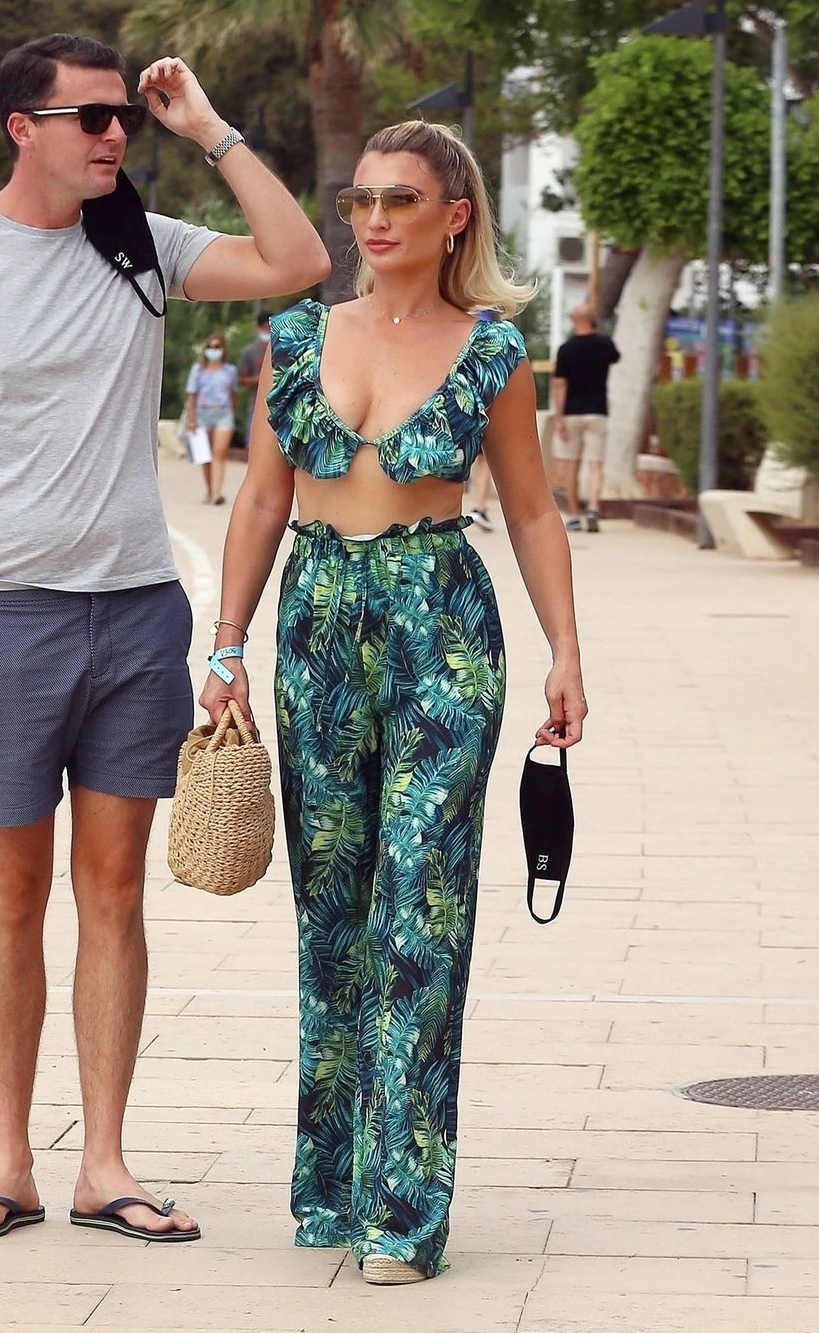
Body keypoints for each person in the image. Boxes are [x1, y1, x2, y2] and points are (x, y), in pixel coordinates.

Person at [0, 34, 328, 1248]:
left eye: (124, 115)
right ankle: (9, 1162)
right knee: (12, 890)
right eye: (92, 117)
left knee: (114, 892)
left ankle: (104, 1165)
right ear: (24, 128)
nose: (115, 133)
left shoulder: (143, 245)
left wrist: (208, 131)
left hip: (135, 615)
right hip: (1, 618)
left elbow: (299, 259)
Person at [199, 120, 586, 1285]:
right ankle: (333, 1184)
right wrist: (225, 644)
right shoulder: (297, 337)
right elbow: (262, 502)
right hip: (315, 623)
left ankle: (404, 1210)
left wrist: (566, 651)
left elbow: (530, 509)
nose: (373, 219)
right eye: (361, 198)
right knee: (333, 911)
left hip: (443, 628)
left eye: (401, 199)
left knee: (420, 908)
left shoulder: (494, 351)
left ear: (454, 216)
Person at [549, 303, 619, 533]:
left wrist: (559, 417)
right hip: (598, 411)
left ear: (573, 321)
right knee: (595, 464)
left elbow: (559, 385)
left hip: (572, 412)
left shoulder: (566, 349)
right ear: (593, 320)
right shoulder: (605, 344)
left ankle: (574, 515)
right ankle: (593, 507)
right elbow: (615, 358)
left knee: (571, 465)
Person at [184, 332, 240, 504]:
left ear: (223, 349)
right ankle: (209, 490)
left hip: (223, 413)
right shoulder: (198, 370)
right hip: (202, 413)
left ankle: (217, 493)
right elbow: (191, 395)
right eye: (210, 347)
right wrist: (191, 419)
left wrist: (232, 412)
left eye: (217, 347)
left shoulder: (230, 371)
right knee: (205, 456)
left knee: (219, 453)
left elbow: (233, 393)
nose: (213, 350)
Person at [237, 308, 272, 444]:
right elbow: (241, 379)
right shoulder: (250, 352)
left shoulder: (283, 348)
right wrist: (261, 378)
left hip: (281, 405)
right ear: (259, 328)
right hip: (256, 406)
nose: (268, 331)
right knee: (254, 444)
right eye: (265, 327)